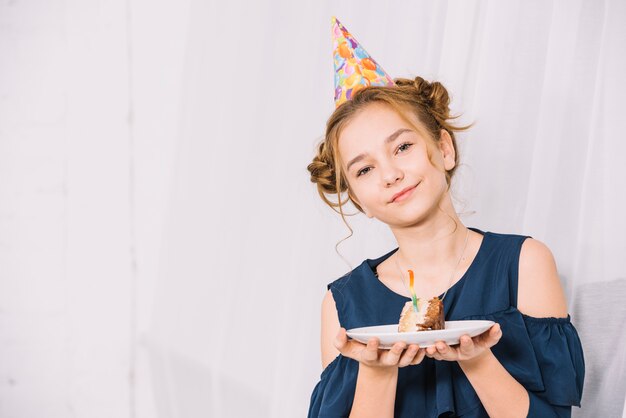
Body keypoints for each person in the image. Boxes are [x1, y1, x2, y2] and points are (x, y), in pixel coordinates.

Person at [306, 18, 585, 418]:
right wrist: (375, 373)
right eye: (364, 170)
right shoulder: (341, 304)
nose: (390, 174)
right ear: (359, 200)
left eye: (402, 147)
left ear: (444, 149)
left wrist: (477, 361)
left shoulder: (524, 263)